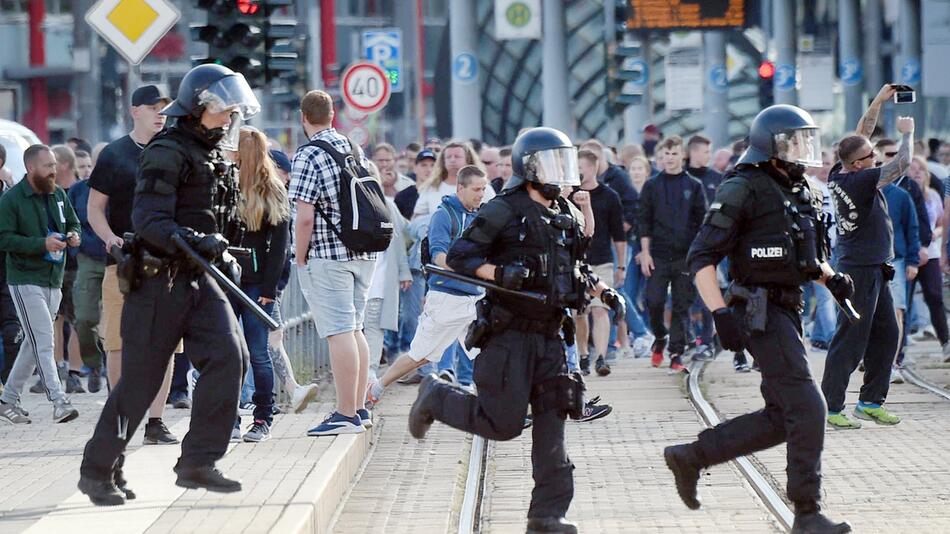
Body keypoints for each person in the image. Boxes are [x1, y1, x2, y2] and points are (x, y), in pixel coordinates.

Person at [408, 128, 625, 534]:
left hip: (552, 337)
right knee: (503, 424)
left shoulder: (566, 214)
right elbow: (460, 255)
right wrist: (499, 272)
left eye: (565, 162)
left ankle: (547, 516)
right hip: (510, 337)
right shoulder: (502, 209)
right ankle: (437, 397)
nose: (561, 173)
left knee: (553, 428)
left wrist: (603, 291)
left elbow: (574, 268)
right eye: (552, 163)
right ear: (529, 168)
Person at [664, 105, 853, 534]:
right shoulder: (742, 187)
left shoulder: (798, 189)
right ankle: (807, 513)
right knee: (809, 407)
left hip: (787, 307)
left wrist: (831, 278)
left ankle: (691, 457)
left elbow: (804, 255)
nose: (804, 151)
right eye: (795, 142)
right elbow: (701, 258)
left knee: (783, 416)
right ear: (771, 147)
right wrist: (720, 315)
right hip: (756, 310)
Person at [79, 64, 258, 505]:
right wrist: (200, 242)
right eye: (223, 109)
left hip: (198, 277)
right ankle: (98, 470)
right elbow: (149, 221)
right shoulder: (166, 150)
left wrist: (225, 249)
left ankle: (197, 461)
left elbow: (216, 218)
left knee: (228, 357)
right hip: (158, 282)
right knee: (140, 383)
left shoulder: (212, 152)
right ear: (199, 107)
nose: (231, 116)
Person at [86, 84, 179, 445]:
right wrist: (110, 239)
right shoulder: (114, 154)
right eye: (154, 107)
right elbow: (95, 208)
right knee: (118, 342)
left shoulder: (174, 149)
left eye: (165, 108)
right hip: (123, 262)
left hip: (167, 261)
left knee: (165, 343)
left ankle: (155, 422)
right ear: (134, 110)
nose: (161, 114)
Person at [821, 84, 914, 430]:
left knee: (887, 335)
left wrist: (878, 100)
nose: (877, 158)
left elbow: (861, 133)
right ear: (859, 165)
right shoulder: (861, 182)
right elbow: (902, 163)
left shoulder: (841, 172)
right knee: (851, 338)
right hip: (857, 271)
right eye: (872, 158)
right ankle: (831, 407)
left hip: (875, 267)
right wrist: (908, 134)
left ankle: (871, 402)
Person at [290, 90, 377, 436]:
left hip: (329, 254)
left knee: (338, 330)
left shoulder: (309, 154)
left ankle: (344, 413)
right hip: (364, 252)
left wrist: (299, 256)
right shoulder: (354, 149)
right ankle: (358, 409)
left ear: (304, 118)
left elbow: (305, 216)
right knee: (355, 329)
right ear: (333, 116)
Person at [366, 165, 488, 404]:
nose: (481, 194)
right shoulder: (444, 215)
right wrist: (470, 269)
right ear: (460, 188)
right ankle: (377, 386)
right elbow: (438, 255)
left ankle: (499, 402)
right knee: (420, 356)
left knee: (490, 350)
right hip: (447, 298)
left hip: (474, 298)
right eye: (476, 189)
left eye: (484, 189)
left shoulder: (479, 215)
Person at [0, 144, 81, 425]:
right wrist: (40, 244)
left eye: (54, 165)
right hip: (24, 279)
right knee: (45, 339)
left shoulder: (58, 193)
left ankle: (8, 399)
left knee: (33, 344)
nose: (53, 170)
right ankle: (58, 401)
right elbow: (4, 239)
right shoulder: (11, 200)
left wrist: (73, 235)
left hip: (53, 278)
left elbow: (74, 222)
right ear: (30, 168)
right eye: (47, 166)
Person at [230, 127, 290, 443]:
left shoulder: (262, 189)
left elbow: (279, 244)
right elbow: (280, 247)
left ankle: (248, 419)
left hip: (238, 280)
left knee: (246, 352)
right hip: (248, 281)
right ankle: (259, 419)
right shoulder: (268, 188)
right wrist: (271, 288)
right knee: (256, 352)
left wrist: (269, 288)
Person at [638, 136, 708, 372]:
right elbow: (644, 221)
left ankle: (676, 352)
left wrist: (700, 255)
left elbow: (703, 223)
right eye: (666, 154)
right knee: (653, 301)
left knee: (681, 305)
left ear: (683, 156)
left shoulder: (694, 186)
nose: (669, 158)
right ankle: (660, 336)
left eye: (674, 154)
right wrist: (645, 253)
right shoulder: (651, 185)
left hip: (685, 257)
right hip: (657, 254)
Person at [572, 149, 625, 376]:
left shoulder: (610, 196)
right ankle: (583, 354)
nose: (578, 172)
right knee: (579, 313)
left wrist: (621, 265)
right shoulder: (568, 195)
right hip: (576, 262)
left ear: (593, 168)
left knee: (600, 309)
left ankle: (601, 357)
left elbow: (619, 235)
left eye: (581, 167)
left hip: (602, 260)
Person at [67, 151, 107, 393]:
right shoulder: (78, 190)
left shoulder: (121, 187)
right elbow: (69, 222)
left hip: (118, 260)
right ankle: (93, 364)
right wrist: (77, 249)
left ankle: (117, 375)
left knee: (121, 323)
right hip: (88, 260)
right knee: (83, 319)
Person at [905, 156, 949, 358]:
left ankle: (945, 341)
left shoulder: (934, 196)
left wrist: (938, 234)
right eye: (912, 169)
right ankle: (900, 346)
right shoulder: (904, 195)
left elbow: (941, 222)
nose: (916, 172)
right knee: (904, 301)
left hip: (930, 253)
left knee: (934, 297)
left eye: (920, 169)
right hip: (909, 254)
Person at [881, 178, 919, 381]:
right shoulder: (858, 191)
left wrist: (913, 260)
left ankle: (892, 363)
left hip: (896, 260)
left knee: (897, 313)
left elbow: (912, 228)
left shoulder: (900, 196)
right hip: (867, 262)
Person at [413, 140, 494, 219]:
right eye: (448, 157)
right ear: (443, 161)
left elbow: (494, 216)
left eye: (457, 156)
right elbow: (417, 218)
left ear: (468, 160)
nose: (452, 160)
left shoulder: (484, 188)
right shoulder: (431, 188)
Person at [395, 149, 436, 219]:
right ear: (415, 168)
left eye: (432, 165)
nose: (429, 169)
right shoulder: (403, 197)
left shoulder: (442, 195)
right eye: (424, 165)